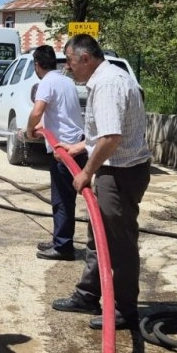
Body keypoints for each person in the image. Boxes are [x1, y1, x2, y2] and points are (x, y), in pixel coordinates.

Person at [50, 34, 152, 330]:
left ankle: (124, 310)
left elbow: (111, 138)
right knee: (99, 237)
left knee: (119, 243)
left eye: (69, 61)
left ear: (85, 58)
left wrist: (86, 172)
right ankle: (88, 295)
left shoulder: (107, 84)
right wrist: (81, 147)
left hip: (120, 172)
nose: (68, 69)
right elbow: (104, 134)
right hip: (116, 167)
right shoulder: (107, 79)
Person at [24, 44, 87, 261]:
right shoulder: (65, 80)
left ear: (37, 65)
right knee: (64, 198)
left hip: (65, 149)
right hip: (75, 143)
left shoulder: (46, 82)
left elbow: (37, 111)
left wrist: (29, 130)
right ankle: (60, 239)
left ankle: (63, 247)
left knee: (62, 199)